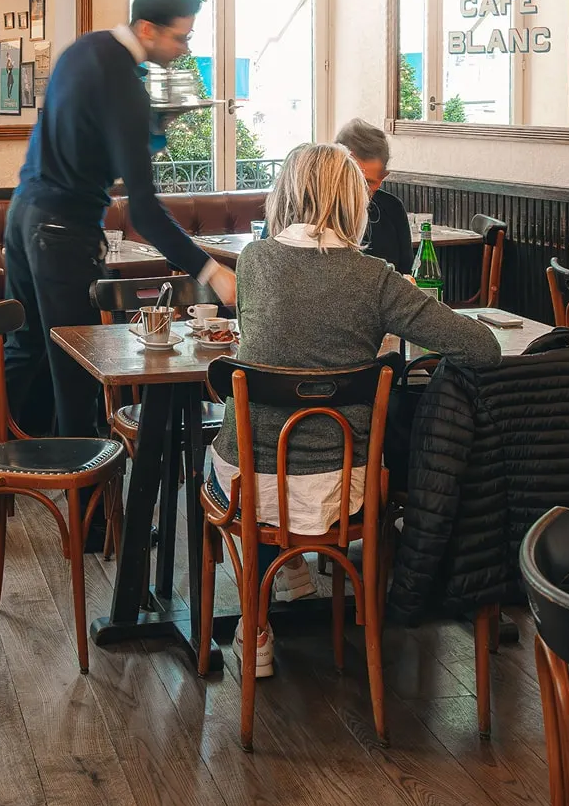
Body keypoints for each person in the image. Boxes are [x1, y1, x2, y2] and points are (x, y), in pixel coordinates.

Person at [0, 0, 238, 548]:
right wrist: (209, 269)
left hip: (23, 218)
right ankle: (96, 520)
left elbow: (89, 138)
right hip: (62, 231)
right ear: (148, 28)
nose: (185, 49)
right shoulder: (123, 80)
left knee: (25, 353)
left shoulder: (86, 49)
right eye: (181, 38)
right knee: (77, 368)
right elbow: (144, 210)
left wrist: (154, 127)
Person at [209, 141, 501, 675]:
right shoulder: (376, 277)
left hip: (250, 483)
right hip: (346, 485)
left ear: (286, 195)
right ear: (353, 201)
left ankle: (258, 626)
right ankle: (305, 580)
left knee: (236, 451)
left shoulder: (253, 262)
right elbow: (481, 349)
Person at [334, 118, 413, 275]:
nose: (360, 191)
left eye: (369, 183)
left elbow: (406, 275)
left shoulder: (391, 209)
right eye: (353, 179)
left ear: (383, 176)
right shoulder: (316, 212)